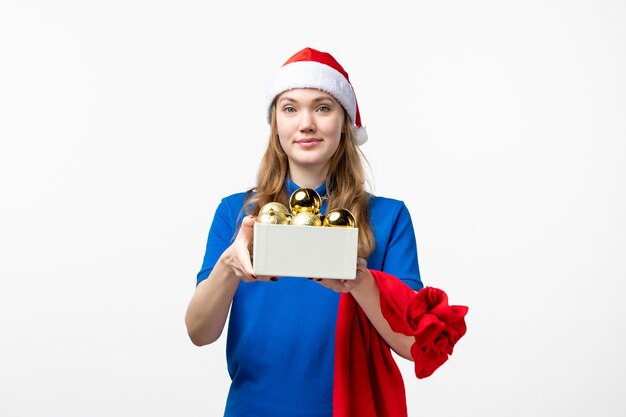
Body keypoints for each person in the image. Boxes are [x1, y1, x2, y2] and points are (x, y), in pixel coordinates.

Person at [185, 47, 425, 417]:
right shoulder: (236, 213)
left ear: (344, 123)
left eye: (323, 107)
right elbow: (199, 332)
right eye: (290, 108)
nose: (306, 123)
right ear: (276, 123)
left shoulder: (388, 217)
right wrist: (229, 266)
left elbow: (415, 344)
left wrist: (360, 282)